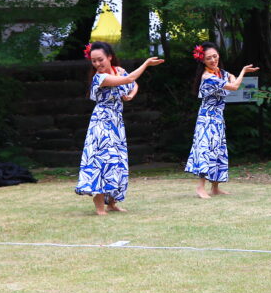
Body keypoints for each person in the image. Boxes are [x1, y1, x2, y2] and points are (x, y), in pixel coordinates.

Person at [75, 42, 164, 215]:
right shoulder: (99, 78)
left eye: (100, 60)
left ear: (109, 57)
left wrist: (130, 95)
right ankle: (99, 205)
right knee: (102, 161)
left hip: (116, 123)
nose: (97, 64)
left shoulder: (119, 70)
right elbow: (130, 79)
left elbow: (133, 84)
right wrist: (145, 64)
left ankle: (112, 202)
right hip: (101, 123)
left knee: (118, 162)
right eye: (93, 61)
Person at [185, 42, 259, 199]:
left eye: (215, 56)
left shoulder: (218, 72)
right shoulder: (208, 76)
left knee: (218, 150)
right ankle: (200, 187)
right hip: (207, 118)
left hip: (218, 117)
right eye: (208, 58)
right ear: (202, 61)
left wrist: (233, 76)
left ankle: (215, 187)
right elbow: (234, 87)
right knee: (206, 150)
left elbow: (230, 77)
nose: (213, 60)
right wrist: (243, 71)